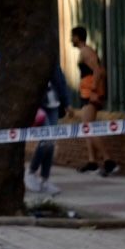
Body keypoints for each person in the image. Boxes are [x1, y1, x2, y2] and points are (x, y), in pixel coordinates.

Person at [70, 26, 118, 176]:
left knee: (88, 128)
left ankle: (109, 161)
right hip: (86, 93)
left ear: (78, 37)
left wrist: (94, 90)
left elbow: (98, 70)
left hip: (91, 93)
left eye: (72, 36)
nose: (70, 39)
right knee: (86, 128)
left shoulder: (86, 52)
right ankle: (92, 162)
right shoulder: (84, 52)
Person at [24, 60, 76, 197]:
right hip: (39, 105)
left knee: (51, 143)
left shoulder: (53, 62)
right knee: (46, 140)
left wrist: (67, 103)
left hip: (54, 104)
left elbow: (61, 82)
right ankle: (31, 172)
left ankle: (45, 180)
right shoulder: (31, 60)